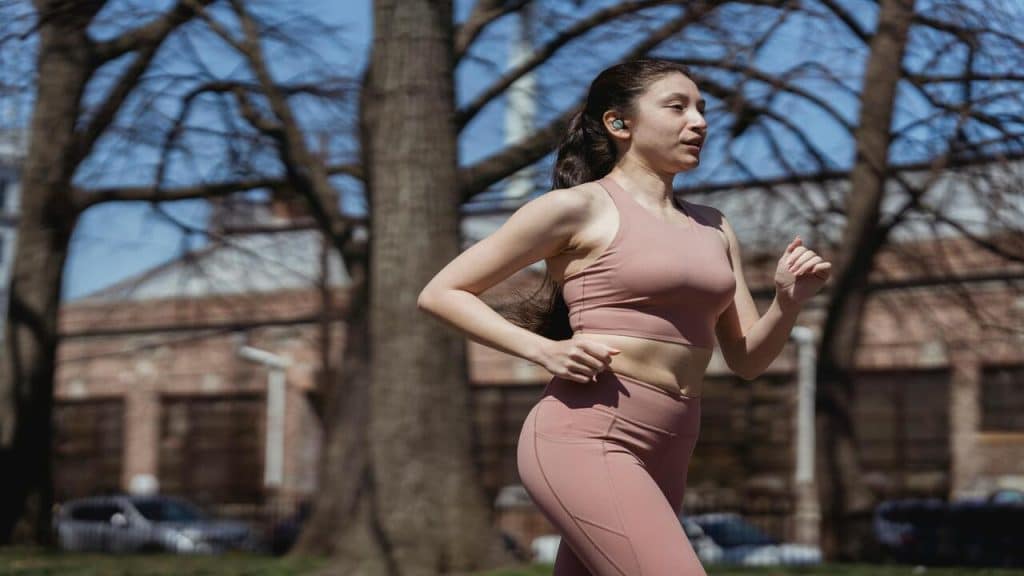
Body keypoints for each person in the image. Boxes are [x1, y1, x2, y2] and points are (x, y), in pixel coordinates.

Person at [417, 58, 831, 576]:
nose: (699, 121)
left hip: (673, 443)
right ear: (619, 124)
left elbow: (747, 359)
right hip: (588, 436)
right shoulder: (577, 208)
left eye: (702, 108)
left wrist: (788, 302)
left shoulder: (714, 227)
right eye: (677, 107)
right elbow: (442, 292)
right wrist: (543, 348)